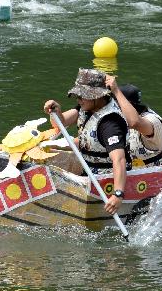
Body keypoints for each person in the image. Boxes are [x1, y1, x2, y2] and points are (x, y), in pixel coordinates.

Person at [43, 68, 130, 215]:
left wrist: (118, 194)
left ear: (97, 96)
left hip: (106, 180)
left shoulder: (109, 124)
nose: (79, 99)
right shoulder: (88, 107)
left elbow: (119, 160)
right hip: (88, 173)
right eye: (78, 95)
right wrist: (56, 111)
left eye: (83, 95)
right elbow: (61, 123)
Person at [106, 75, 162, 168]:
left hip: (161, 175)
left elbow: (135, 122)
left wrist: (116, 91)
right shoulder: (119, 120)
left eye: (115, 103)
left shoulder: (153, 121)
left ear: (129, 104)